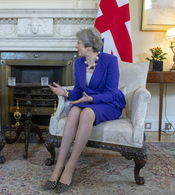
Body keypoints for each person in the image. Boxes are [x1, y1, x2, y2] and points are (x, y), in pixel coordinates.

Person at [44, 27, 126, 194]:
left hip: (108, 103)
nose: (76, 46)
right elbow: (79, 91)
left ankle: (70, 167)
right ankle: (59, 165)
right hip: (87, 100)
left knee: (87, 112)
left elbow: (111, 92)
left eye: (79, 43)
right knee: (74, 111)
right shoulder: (78, 63)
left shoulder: (110, 60)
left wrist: (91, 99)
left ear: (89, 46)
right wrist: (65, 93)